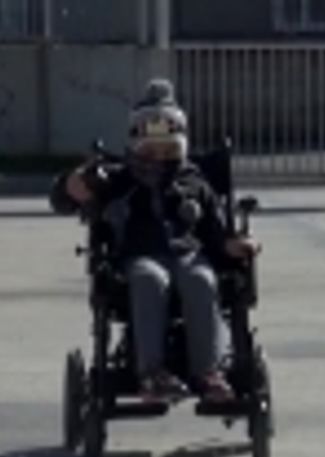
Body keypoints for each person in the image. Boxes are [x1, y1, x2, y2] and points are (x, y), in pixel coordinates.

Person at [51, 79, 260, 404]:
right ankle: (152, 373)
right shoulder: (120, 178)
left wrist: (232, 244)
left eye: (168, 148)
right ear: (136, 143)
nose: (159, 156)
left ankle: (208, 372)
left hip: (189, 253)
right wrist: (71, 185)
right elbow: (64, 199)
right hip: (140, 255)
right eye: (151, 148)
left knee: (201, 280)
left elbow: (214, 230)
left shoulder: (194, 182)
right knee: (150, 279)